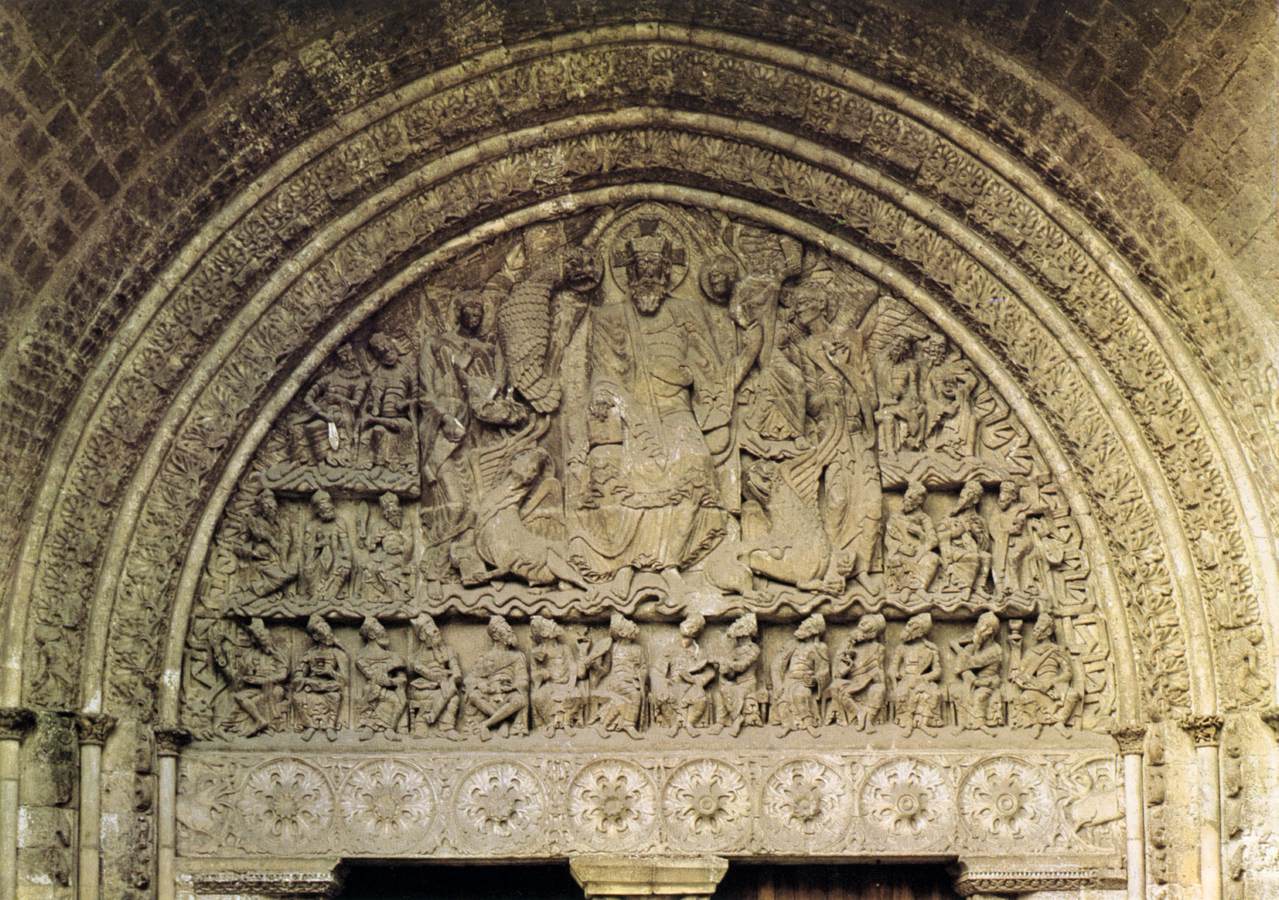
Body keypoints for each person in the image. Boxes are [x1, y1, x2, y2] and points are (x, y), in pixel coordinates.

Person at [463, 615, 529, 740]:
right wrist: (482, 685)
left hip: (508, 692)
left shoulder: (518, 656)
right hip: (489, 693)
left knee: (520, 700)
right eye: (505, 629)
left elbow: (523, 680)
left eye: (510, 629)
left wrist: (512, 687)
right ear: (496, 636)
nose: (510, 631)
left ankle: (487, 724)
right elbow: (470, 679)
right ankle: (503, 722)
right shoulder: (486, 657)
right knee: (474, 696)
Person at [770, 613, 831, 736]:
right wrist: (778, 683)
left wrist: (814, 680)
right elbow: (778, 664)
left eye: (806, 626)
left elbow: (824, 671)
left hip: (803, 681)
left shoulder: (819, 648)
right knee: (783, 700)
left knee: (800, 695)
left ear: (813, 631)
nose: (801, 626)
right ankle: (787, 725)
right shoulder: (793, 644)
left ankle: (809, 725)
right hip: (789, 680)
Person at [405, 613, 461, 738]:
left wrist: (452, 680)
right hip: (422, 689)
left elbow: (456, 672)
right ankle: (422, 724)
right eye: (429, 627)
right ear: (422, 635)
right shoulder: (416, 656)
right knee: (443, 693)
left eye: (434, 626)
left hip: (444, 686)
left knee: (454, 696)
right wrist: (438, 678)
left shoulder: (448, 651)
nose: (435, 630)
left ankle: (446, 727)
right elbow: (419, 673)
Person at [292, 614, 346, 741]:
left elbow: (345, 680)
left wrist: (330, 672)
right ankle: (310, 725)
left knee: (335, 696)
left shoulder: (337, 654)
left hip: (330, 686)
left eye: (328, 632)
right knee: (297, 697)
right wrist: (306, 680)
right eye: (322, 633)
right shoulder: (310, 654)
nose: (327, 636)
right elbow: (299, 674)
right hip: (312, 685)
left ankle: (330, 727)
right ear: (315, 636)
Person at [828, 614, 887, 729]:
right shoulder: (849, 645)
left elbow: (878, 670)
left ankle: (868, 720)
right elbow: (837, 671)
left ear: (873, 631)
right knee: (835, 686)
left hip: (868, 682)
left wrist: (877, 680)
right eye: (862, 622)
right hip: (851, 682)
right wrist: (848, 648)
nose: (862, 624)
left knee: (879, 689)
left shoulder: (878, 648)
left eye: (867, 623)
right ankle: (859, 714)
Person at [355, 617, 407, 740]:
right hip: (372, 688)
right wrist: (381, 680)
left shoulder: (394, 656)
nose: (386, 634)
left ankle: (380, 727)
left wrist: (392, 682)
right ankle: (381, 728)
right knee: (377, 693)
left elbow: (403, 679)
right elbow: (370, 675)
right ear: (372, 635)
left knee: (396, 699)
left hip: (391, 688)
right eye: (382, 631)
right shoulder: (361, 657)